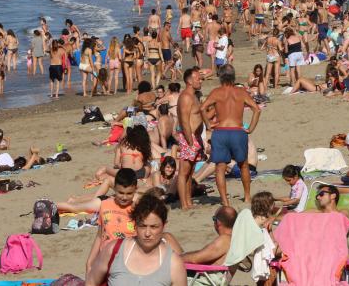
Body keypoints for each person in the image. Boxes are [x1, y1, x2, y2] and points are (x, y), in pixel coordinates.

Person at [86, 193, 187, 286]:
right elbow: (91, 282)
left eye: (153, 227)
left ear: (164, 226)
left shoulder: (173, 264)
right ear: (134, 224)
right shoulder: (114, 250)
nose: (147, 233)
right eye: (142, 226)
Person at [200, 64, 261, 207]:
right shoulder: (240, 92)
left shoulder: (216, 92)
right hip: (237, 131)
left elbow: (202, 108)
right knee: (244, 165)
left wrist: (208, 125)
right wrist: (251, 128)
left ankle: (225, 201)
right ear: (233, 76)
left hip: (220, 132)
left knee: (220, 167)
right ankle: (247, 197)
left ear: (220, 76)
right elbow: (257, 110)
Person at [85, 169, 139, 273]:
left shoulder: (137, 209)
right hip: (104, 259)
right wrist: (90, 261)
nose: (124, 197)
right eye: (121, 192)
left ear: (135, 190)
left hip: (128, 260)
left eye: (129, 193)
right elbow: (100, 235)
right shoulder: (105, 205)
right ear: (114, 189)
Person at [176, 68, 206, 210]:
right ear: (189, 81)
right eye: (197, 79)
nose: (200, 81)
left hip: (195, 137)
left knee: (189, 173)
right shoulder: (186, 96)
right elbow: (184, 120)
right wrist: (190, 141)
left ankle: (189, 201)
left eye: (200, 79)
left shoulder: (194, 96)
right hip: (189, 138)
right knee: (183, 172)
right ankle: (184, 204)